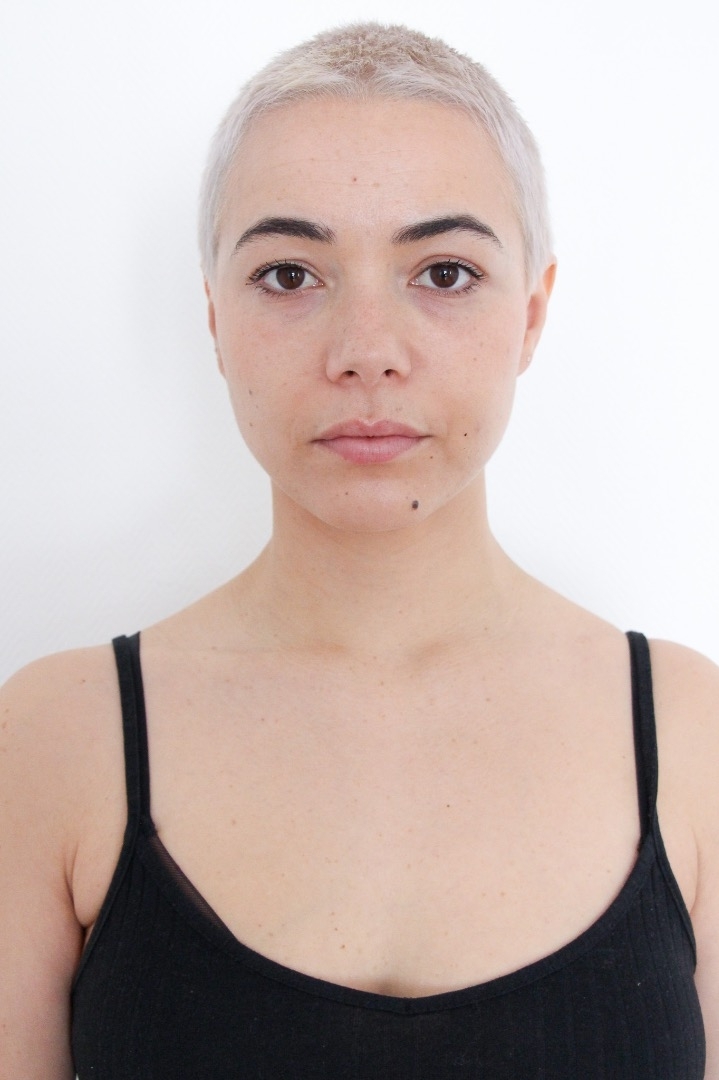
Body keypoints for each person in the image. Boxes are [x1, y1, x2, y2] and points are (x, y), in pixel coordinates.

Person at [0, 21, 716, 1079]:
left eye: (443, 272)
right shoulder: (53, 741)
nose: (366, 352)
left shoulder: (695, 736)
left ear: (531, 315)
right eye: (290, 274)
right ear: (214, 318)